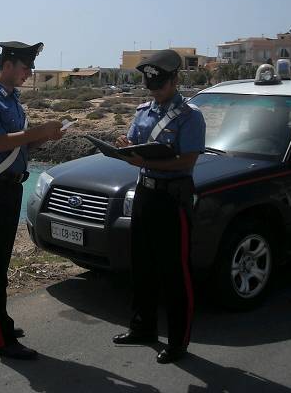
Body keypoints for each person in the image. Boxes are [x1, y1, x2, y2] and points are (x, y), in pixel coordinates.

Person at [0, 40, 65, 360]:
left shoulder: (12, 100)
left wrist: (44, 137)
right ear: (7, 65)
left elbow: (17, 147)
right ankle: (0, 336)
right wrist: (38, 131)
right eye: (25, 67)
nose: (29, 73)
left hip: (10, 183)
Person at [112, 49, 206, 364]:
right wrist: (125, 150)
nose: (154, 90)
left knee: (174, 271)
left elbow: (188, 160)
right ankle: (143, 328)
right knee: (143, 265)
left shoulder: (190, 117)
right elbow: (135, 146)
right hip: (145, 194)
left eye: (160, 84)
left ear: (175, 79)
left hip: (172, 198)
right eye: (151, 85)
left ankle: (178, 341)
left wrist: (140, 159)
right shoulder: (143, 111)